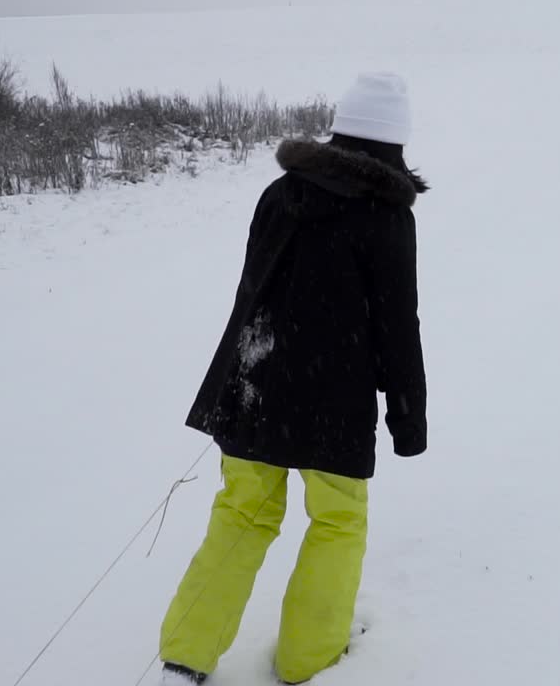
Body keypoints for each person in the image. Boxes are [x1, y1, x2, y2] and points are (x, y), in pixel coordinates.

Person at [157, 72, 429, 685]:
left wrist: (236, 377)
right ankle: (310, 658)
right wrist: (408, 415)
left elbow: (251, 291)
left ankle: (186, 652)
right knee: (337, 521)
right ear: (395, 146)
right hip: (334, 401)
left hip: (256, 383)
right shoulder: (387, 217)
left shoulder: (280, 194)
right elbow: (397, 323)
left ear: (339, 129)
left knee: (242, 513)